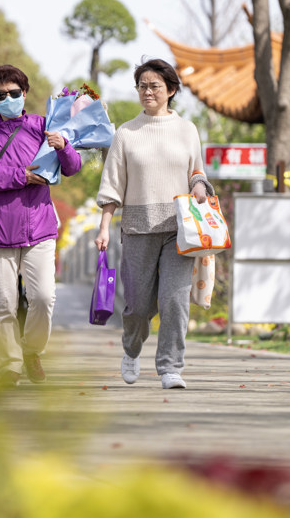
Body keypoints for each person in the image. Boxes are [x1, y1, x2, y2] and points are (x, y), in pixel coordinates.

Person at [94, 58, 215, 390]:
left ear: (171, 90)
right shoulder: (126, 133)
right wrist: (104, 226)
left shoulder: (187, 130)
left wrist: (199, 185)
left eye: (154, 86)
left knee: (174, 301)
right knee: (137, 305)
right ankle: (131, 349)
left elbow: (197, 170)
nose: (147, 91)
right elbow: (112, 185)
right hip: (138, 229)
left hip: (180, 230)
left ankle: (170, 367)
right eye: (142, 86)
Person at [0, 64, 82, 388]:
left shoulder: (43, 126)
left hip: (39, 229)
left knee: (43, 298)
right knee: (4, 304)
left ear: (25, 93)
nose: (8, 99)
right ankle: (10, 364)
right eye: (0, 95)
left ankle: (31, 351)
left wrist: (64, 146)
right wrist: (20, 176)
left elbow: (72, 168)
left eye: (14, 93)